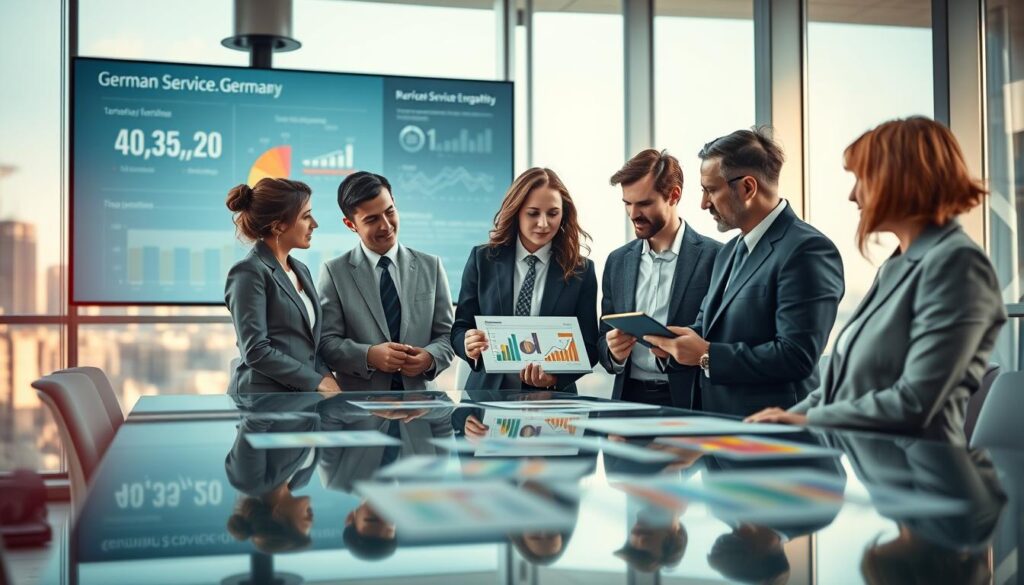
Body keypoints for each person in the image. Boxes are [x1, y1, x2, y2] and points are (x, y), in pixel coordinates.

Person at [747, 117, 1007, 444]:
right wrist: (781, 420)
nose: (853, 196)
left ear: (902, 180)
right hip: (881, 473)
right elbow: (838, 391)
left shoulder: (958, 264)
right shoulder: (898, 265)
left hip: (928, 483)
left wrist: (806, 420)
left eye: (862, 179)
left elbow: (914, 403)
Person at [644, 127, 844, 417]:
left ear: (748, 188)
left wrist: (706, 354)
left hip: (774, 439)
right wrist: (676, 344)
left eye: (710, 190)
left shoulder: (807, 250)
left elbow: (796, 356)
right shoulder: (727, 252)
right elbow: (706, 330)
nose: (703, 204)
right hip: (721, 434)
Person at [451, 168, 599, 438]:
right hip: (485, 406)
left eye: (553, 213)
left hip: (553, 409)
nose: (543, 223)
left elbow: (589, 346)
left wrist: (554, 378)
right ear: (516, 211)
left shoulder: (581, 271)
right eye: (533, 213)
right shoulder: (483, 260)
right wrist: (467, 344)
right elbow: (460, 327)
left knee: (544, 480)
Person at [599, 149, 722, 408]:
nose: (633, 214)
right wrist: (613, 353)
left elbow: (721, 339)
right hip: (628, 401)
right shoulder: (617, 262)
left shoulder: (716, 257)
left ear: (674, 195)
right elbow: (603, 338)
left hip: (690, 401)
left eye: (644, 203)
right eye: (627, 203)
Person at [318, 171, 455, 391]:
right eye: (371, 219)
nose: (386, 225)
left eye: (389, 212)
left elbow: (448, 335)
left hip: (421, 408)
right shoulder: (335, 272)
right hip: (360, 410)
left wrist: (429, 358)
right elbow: (325, 343)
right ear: (350, 224)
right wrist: (369, 356)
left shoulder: (431, 266)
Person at [224, 178, 340, 395]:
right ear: (278, 226)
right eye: (306, 216)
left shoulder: (300, 270)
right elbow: (256, 351)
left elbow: (309, 347)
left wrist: (326, 377)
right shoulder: (248, 272)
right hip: (262, 402)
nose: (314, 224)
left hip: (300, 399)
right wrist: (316, 382)